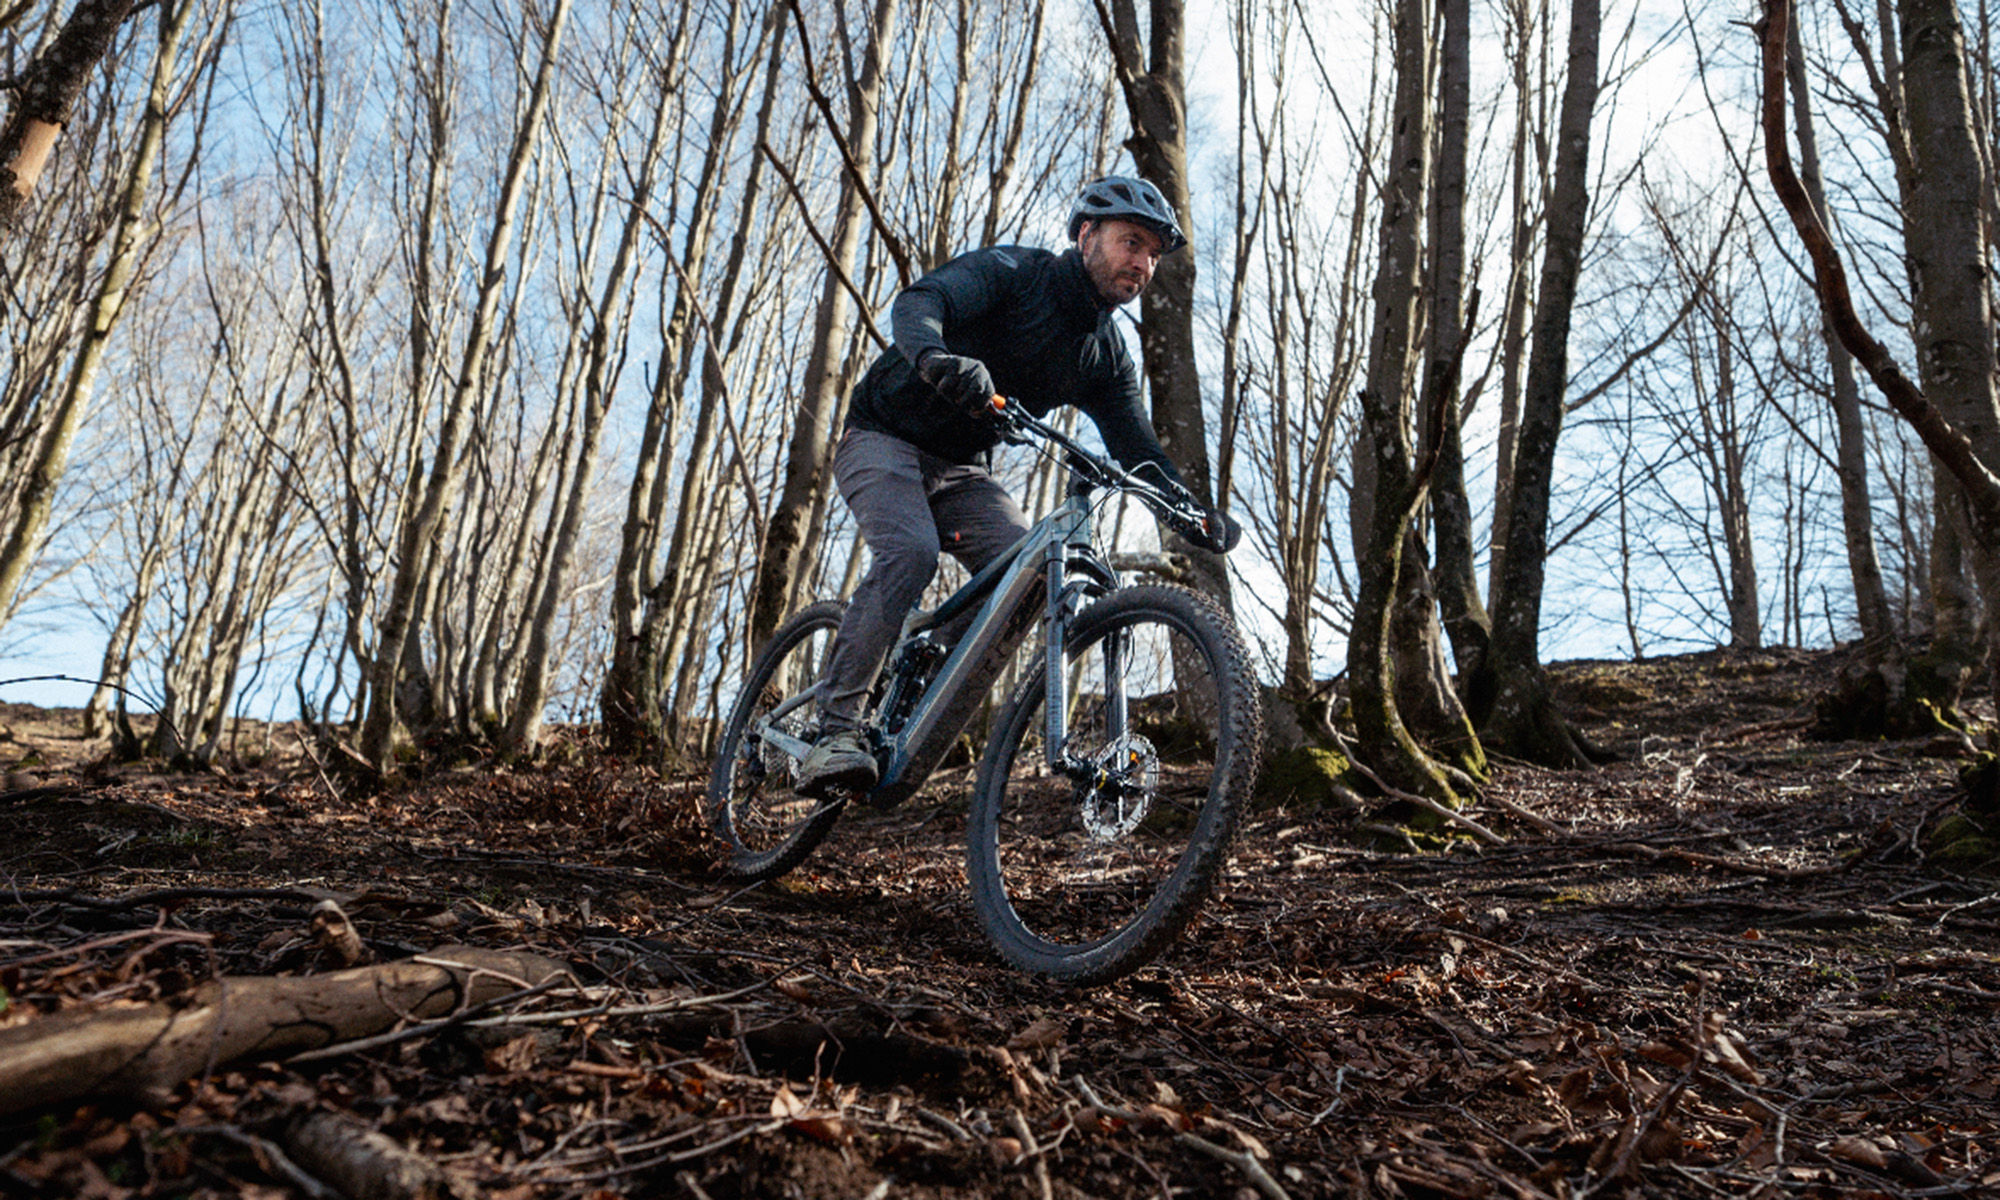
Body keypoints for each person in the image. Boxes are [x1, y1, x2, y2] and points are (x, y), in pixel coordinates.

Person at [797, 175, 1241, 797]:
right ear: (1086, 235)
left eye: (1151, 254)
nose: (1140, 264)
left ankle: (917, 686)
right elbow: (921, 303)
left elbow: (1135, 447)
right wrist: (936, 358)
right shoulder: (1012, 272)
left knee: (1024, 574)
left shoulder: (1105, 355)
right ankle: (834, 731)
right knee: (912, 552)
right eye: (1130, 241)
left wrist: (1191, 512)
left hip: (963, 470)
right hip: (882, 436)